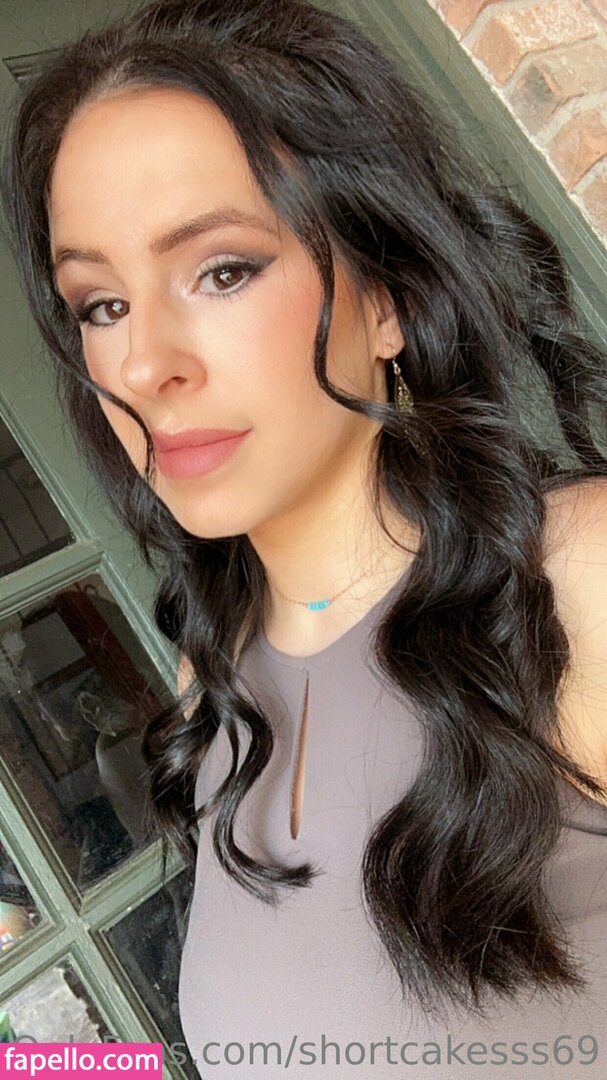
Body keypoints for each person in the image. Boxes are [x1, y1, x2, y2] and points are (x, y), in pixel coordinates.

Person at [1, 0, 607, 1075]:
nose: (143, 366)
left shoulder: (574, 580)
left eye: (222, 270)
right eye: (99, 305)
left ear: (388, 299)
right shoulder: (213, 682)